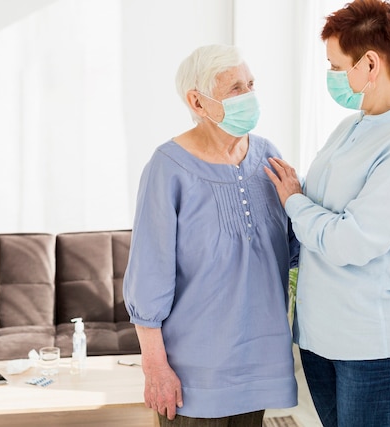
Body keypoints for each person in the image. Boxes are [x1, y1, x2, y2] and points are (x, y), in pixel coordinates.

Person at [264, 1, 390, 426]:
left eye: (336, 66)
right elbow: (320, 210)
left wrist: (293, 200)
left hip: (374, 350)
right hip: (323, 339)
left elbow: (351, 240)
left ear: (369, 63)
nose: (332, 77)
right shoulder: (351, 127)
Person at [123, 44, 298, 427]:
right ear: (198, 102)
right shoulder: (167, 168)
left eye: (251, 84)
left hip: (260, 366)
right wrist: (154, 366)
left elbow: (292, 249)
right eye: (236, 88)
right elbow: (148, 275)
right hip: (195, 376)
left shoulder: (269, 157)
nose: (249, 96)